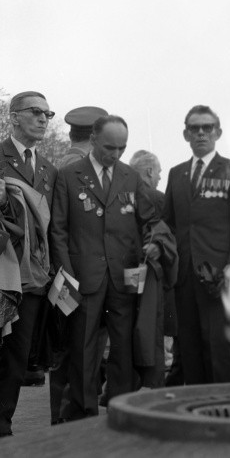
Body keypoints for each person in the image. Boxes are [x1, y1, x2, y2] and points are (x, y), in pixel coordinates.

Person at [50, 114, 164, 420]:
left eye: (122, 148)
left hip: (123, 277)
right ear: (94, 140)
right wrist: (67, 273)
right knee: (83, 348)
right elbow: (58, 229)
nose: (115, 154)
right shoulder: (69, 175)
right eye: (109, 148)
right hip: (82, 276)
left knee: (123, 347)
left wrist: (154, 242)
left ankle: (119, 406)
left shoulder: (131, 177)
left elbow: (149, 220)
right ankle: (83, 412)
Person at [162, 105, 230, 384]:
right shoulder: (176, 174)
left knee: (218, 349)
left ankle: (223, 414)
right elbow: (169, 224)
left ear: (218, 132)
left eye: (207, 128)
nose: (201, 133)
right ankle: (196, 415)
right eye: (195, 128)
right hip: (185, 276)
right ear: (186, 134)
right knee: (188, 349)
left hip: (219, 276)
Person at [0, 91, 57, 437]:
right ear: (14, 117)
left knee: (17, 358)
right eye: (35, 112)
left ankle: (2, 425)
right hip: (1, 270)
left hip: (32, 277)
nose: (42, 119)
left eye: (47, 114)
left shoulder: (50, 169)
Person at [49, 105, 109, 424]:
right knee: (75, 352)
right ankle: (68, 425)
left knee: (77, 351)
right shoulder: (75, 166)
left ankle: (68, 422)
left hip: (79, 276)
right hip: (75, 278)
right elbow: (60, 227)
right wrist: (69, 275)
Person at [129, 150, 178, 388]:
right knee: (152, 335)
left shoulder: (124, 194)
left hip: (127, 276)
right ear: (149, 171)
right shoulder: (157, 199)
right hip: (153, 278)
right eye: (158, 172)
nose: (159, 177)